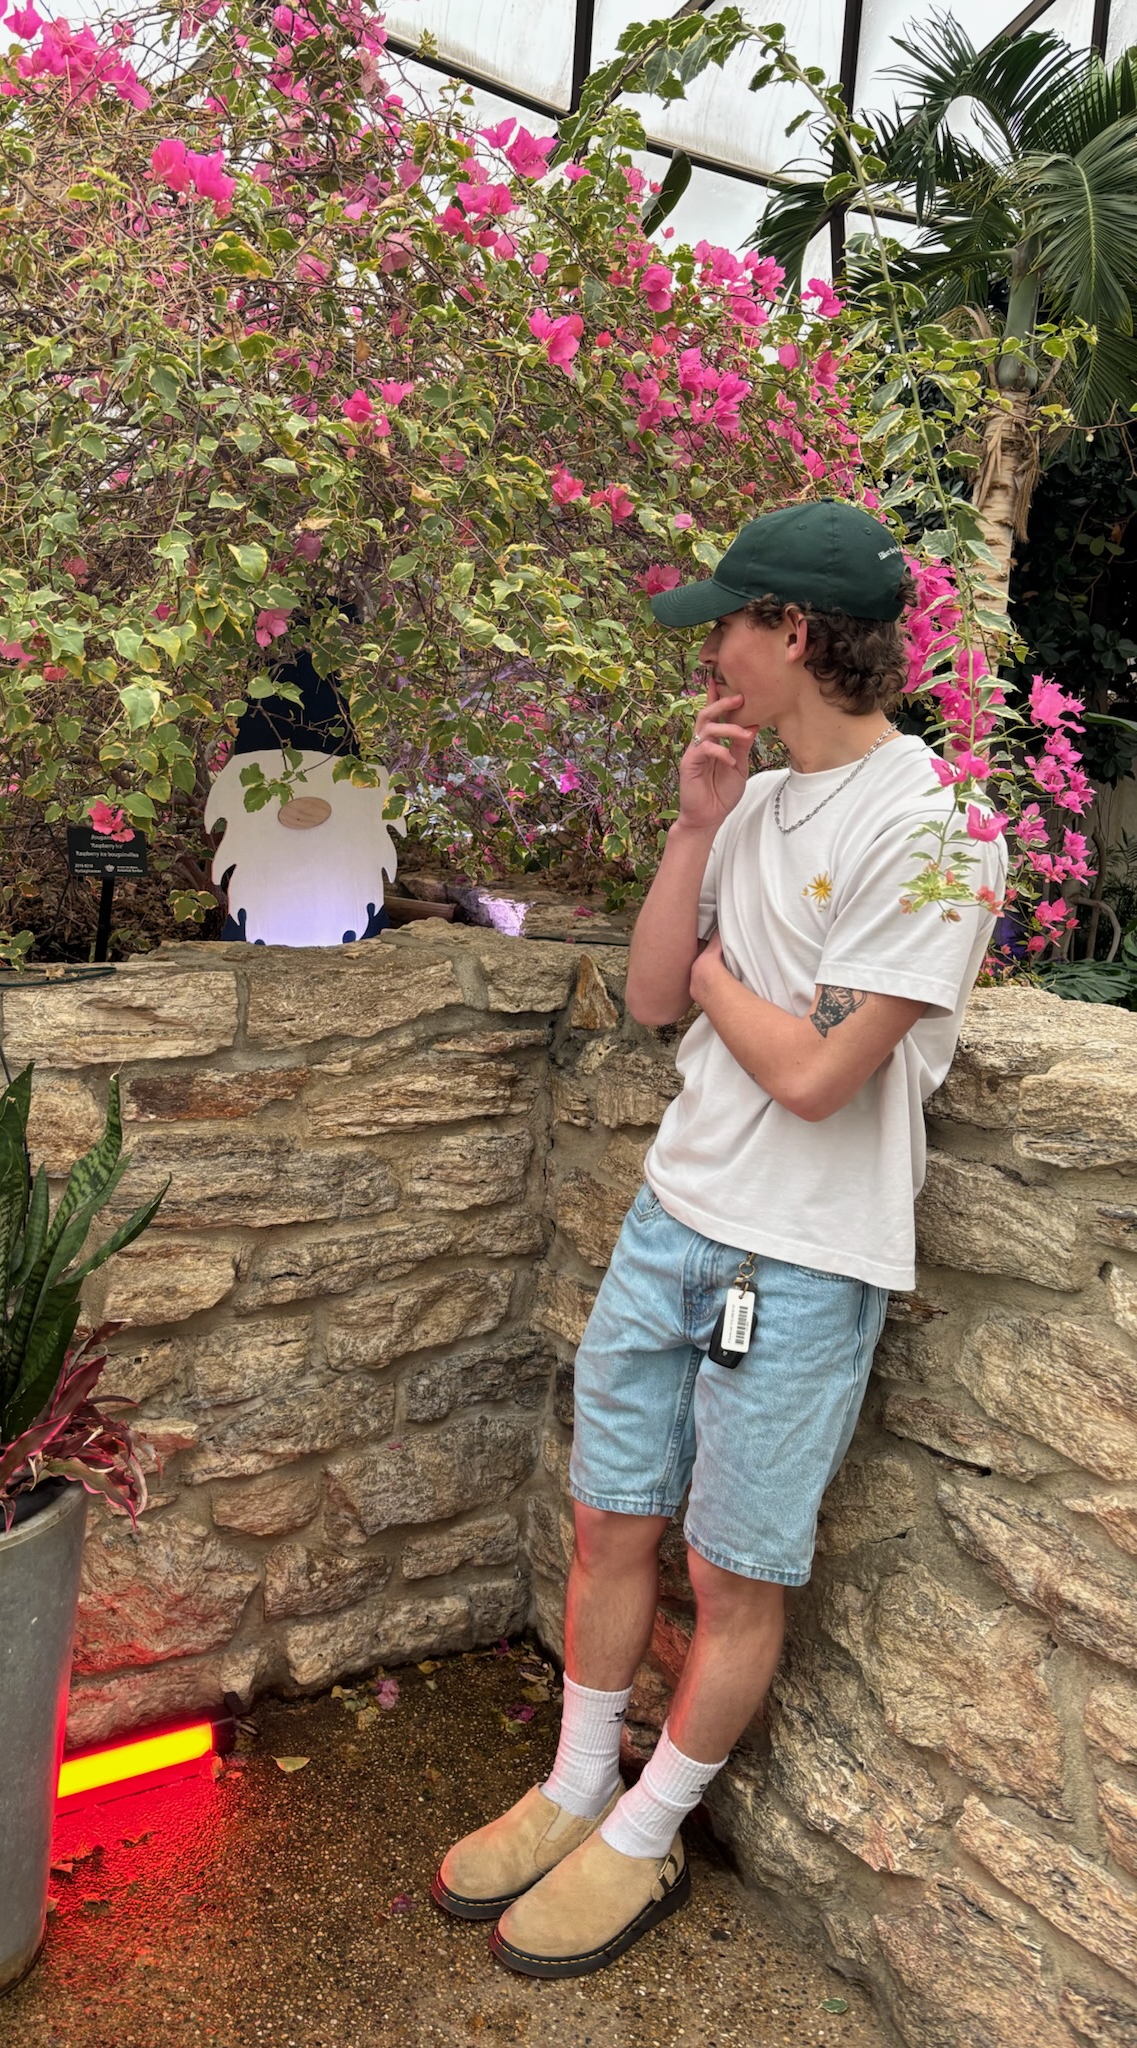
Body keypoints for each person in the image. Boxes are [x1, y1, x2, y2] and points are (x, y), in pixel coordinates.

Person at [432, 499, 1007, 1979]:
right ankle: (577, 1785)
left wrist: (713, 979)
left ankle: (647, 1832)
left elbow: (818, 1078)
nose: (710, 657)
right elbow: (646, 996)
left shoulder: (937, 831)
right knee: (610, 1519)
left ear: (795, 633)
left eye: (729, 628)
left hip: (804, 1258)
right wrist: (695, 828)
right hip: (672, 1215)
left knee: (736, 1571)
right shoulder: (747, 802)